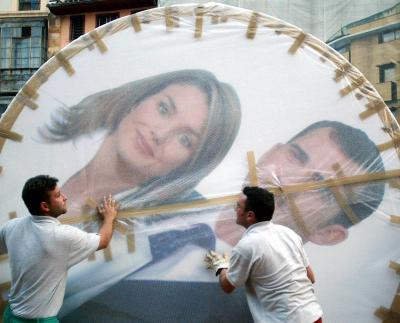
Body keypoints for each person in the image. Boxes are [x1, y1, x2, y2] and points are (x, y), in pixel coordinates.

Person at [39, 69, 241, 315]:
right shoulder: (40, 141)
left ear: (189, 165)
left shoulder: (150, 240)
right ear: (138, 99)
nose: (160, 134)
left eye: (185, 139)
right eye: (163, 109)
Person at [216, 120, 385, 246]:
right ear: (271, 151)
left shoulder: (261, 294)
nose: (289, 183)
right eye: (296, 156)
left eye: (322, 189)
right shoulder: (189, 192)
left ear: (328, 234)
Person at [0, 175, 118, 322]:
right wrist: (109, 217)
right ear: (45, 206)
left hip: (11, 316)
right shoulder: (62, 236)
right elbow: (103, 241)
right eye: (58, 195)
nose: (65, 197)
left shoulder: (12, 226)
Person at [205, 186, 323, 323]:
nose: (235, 209)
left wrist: (220, 265)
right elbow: (310, 277)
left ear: (250, 215)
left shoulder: (247, 246)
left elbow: (227, 286)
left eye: (238, 206)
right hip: (313, 316)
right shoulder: (288, 233)